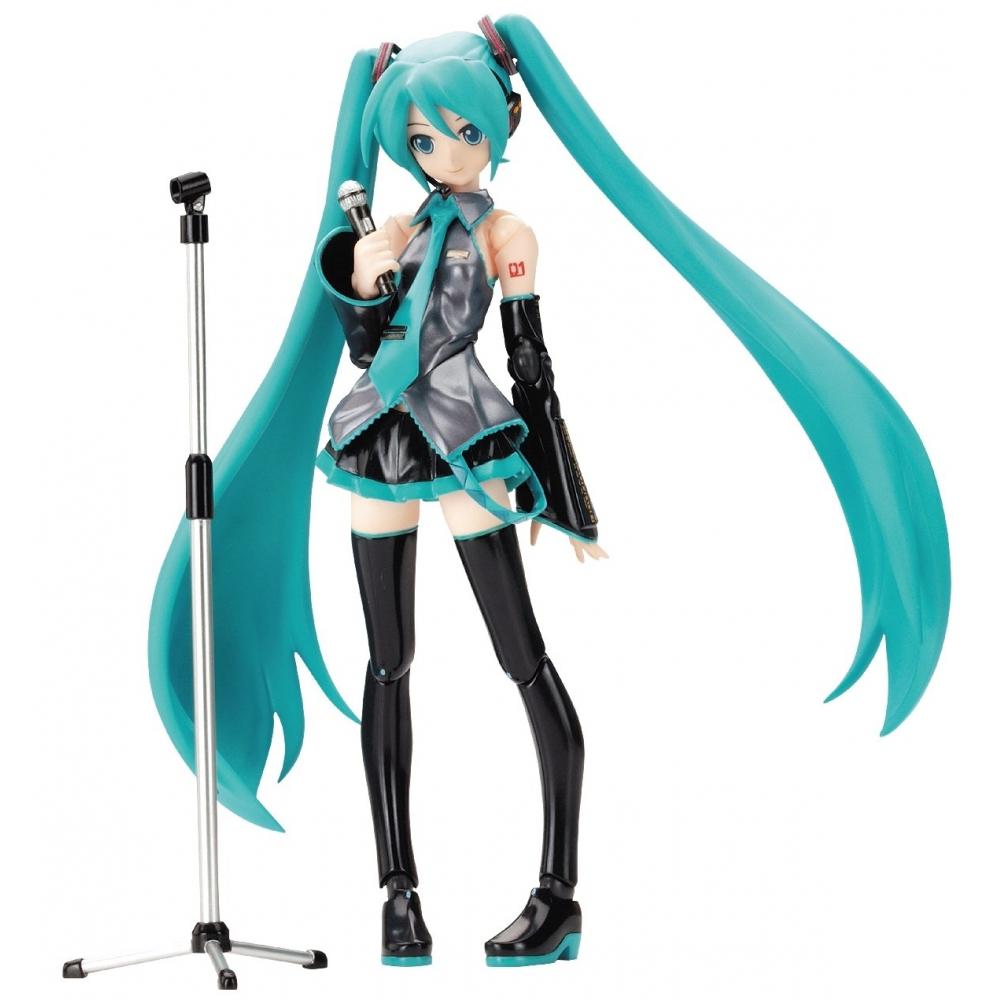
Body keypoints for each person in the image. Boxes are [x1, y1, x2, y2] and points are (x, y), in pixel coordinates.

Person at [148, 14, 951, 969]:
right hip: (380, 438)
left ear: (503, 122)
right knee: (388, 663)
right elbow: (365, 348)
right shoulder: (392, 230)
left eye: (460, 132)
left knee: (522, 659)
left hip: (466, 437)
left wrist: (560, 490)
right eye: (420, 139)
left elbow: (531, 365)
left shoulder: (507, 235)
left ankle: (558, 893)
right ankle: (398, 892)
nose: (441, 152)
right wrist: (360, 281)